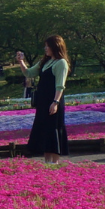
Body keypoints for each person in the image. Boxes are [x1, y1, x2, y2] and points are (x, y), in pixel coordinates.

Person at [17, 36, 70, 165]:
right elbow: (29, 73)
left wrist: (55, 102)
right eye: (45, 46)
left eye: (48, 46)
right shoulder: (45, 62)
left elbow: (60, 85)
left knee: (53, 127)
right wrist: (21, 61)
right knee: (44, 128)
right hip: (42, 100)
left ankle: (55, 160)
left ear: (55, 47)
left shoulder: (61, 62)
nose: (45, 48)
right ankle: (47, 160)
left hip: (53, 99)